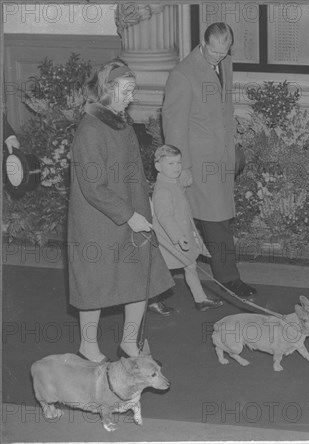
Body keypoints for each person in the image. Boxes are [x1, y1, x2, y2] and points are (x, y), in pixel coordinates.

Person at [68, 59, 174, 363]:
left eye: (133, 90)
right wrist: (129, 215)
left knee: (138, 276)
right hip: (98, 222)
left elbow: (133, 174)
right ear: (107, 89)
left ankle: (130, 342)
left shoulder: (120, 122)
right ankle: (88, 347)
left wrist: (146, 205)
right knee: (95, 284)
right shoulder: (90, 130)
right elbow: (93, 187)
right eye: (126, 90)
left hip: (132, 213)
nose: (131, 96)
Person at [162, 22, 256, 300]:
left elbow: (223, 109)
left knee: (209, 221)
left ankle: (157, 282)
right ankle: (229, 280)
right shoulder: (182, 74)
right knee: (216, 222)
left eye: (223, 52)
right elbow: (173, 125)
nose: (218, 57)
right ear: (203, 44)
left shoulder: (225, 63)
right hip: (199, 162)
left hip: (222, 156)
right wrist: (183, 167)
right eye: (213, 52)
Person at [152, 144, 224, 311]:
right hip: (169, 241)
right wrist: (178, 236)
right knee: (162, 272)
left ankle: (200, 299)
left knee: (190, 266)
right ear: (158, 166)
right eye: (170, 164)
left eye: (178, 163)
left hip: (181, 236)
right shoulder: (163, 189)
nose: (177, 167)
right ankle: (151, 300)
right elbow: (165, 216)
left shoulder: (172, 183)